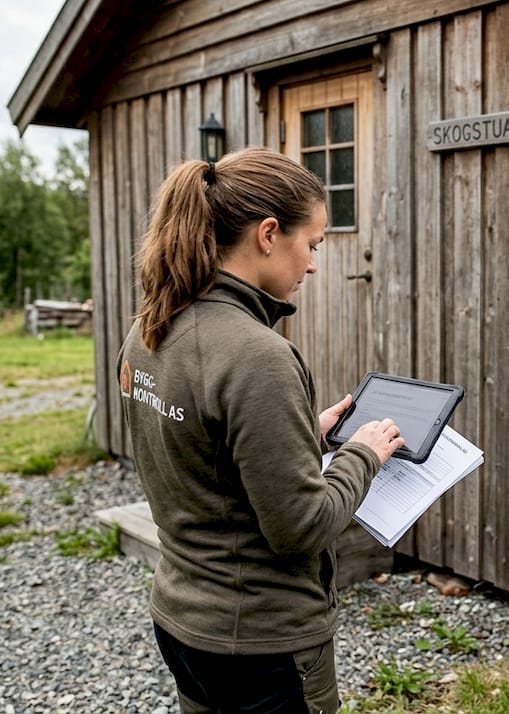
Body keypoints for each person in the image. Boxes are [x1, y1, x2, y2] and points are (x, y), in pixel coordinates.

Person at [117, 147, 404, 714]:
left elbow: (200, 453)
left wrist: (301, 436)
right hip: (262, 646)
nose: (315, 263)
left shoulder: (150, 328)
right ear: (269, 234)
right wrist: (363, 455)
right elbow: (301, 529)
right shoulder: (258, 355)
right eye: (313, 244)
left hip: (182, 619)